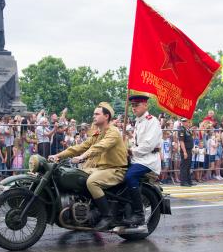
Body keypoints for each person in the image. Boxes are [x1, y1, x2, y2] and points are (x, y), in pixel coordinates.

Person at [50, 102, 127, 230]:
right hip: (101, 169)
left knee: (92, 182)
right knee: (77, 177)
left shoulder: (113, 132)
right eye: (94, 114)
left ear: (106, 116)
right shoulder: (98, 133)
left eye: (97, 114)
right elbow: (80, 147)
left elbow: (99, 147)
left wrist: (82, 157)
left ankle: (107, 216)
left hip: (115, 169)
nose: (93, 116)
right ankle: (86, 212)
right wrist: (58, 155)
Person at [123, 95, 162, 226]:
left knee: (130, 176)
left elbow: (148, 144)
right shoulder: (138, 122)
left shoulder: (152, 121)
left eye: (137, 105)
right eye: (132, 105)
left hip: (148, 160)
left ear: (145, 105)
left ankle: (139, 214)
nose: (134, 108)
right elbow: (136, 143)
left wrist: (132, 151)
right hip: (138, 158)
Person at [179, 118, 196, 186]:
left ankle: (189, 181)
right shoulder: (182, 130)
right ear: (183, 122)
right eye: (186, 122)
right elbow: (181, 141)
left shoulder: (187, 130)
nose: (188, 123)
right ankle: (183, 182)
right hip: (185, 150)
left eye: (188, 122)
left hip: (189, 150)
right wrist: (185, 152)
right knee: (184, 166)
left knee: (188, 166)